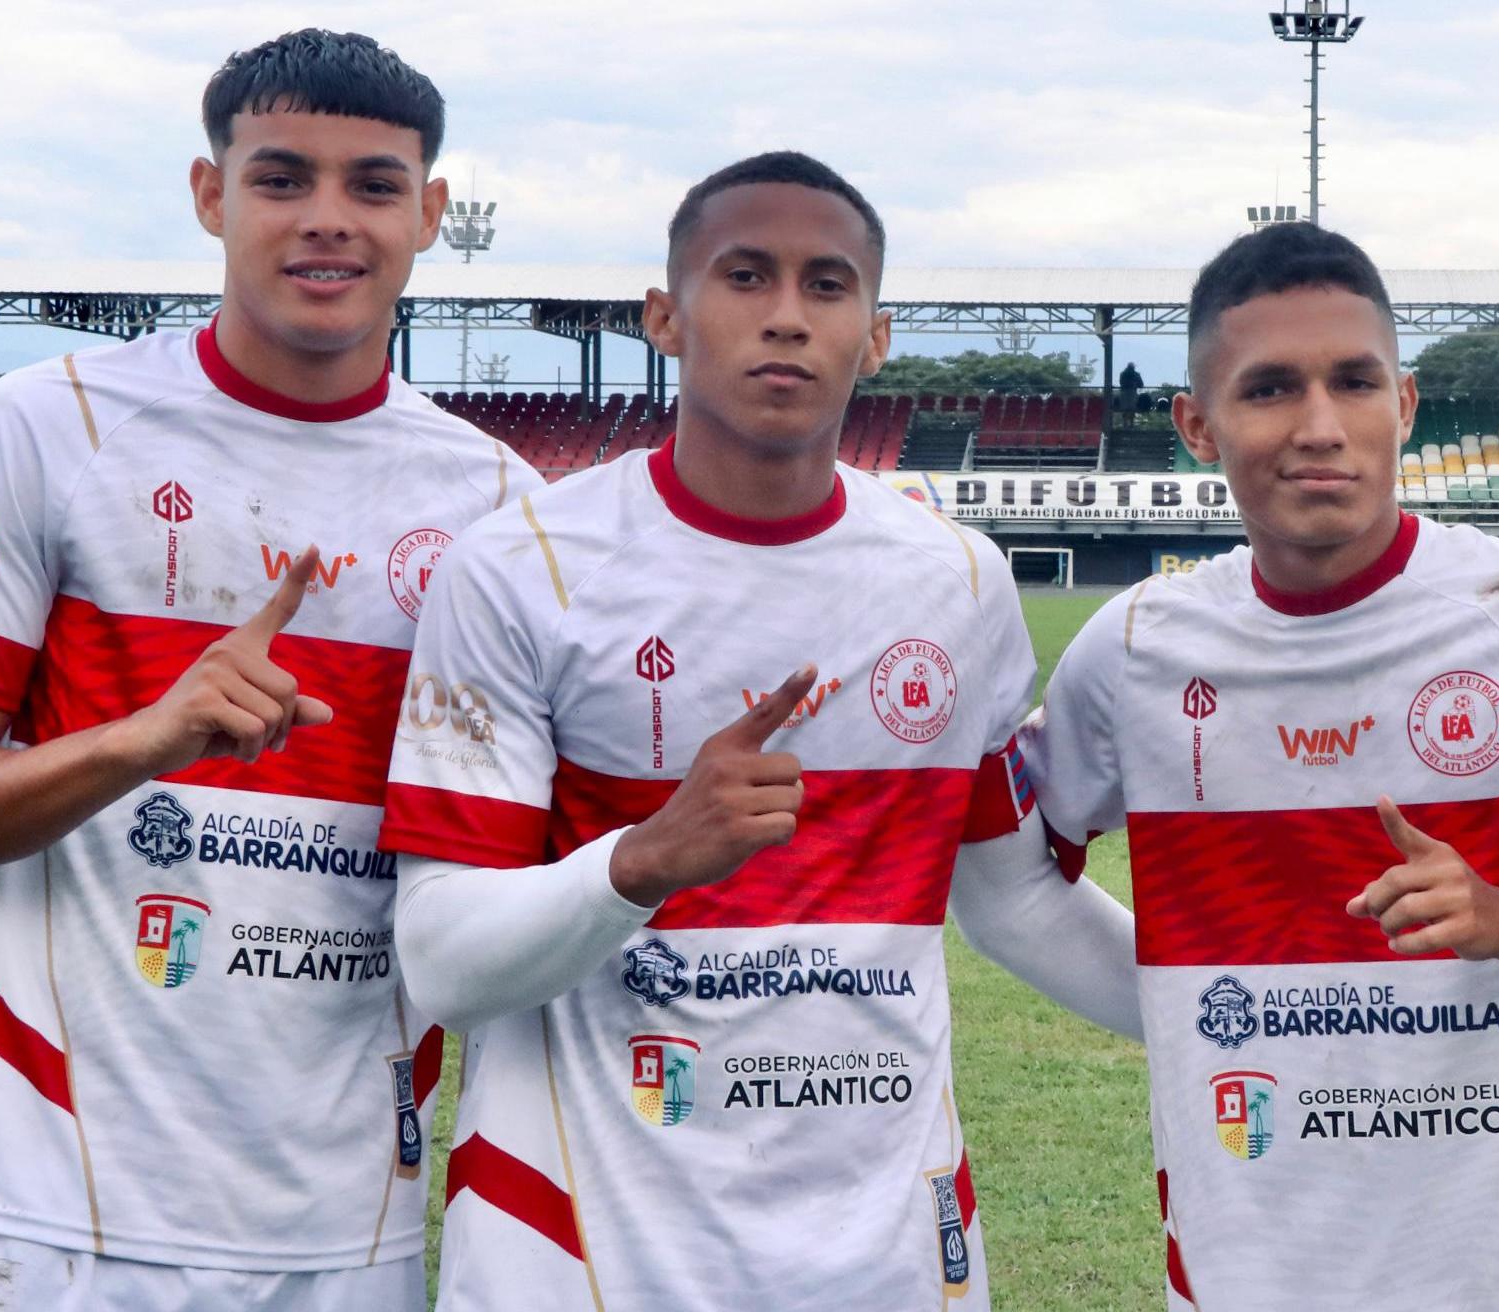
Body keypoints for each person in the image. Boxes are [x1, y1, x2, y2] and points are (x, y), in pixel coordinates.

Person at [378, 151, 1138, 1311]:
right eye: (745, 276)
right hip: (581, 1246)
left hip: (884, 1251)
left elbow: (1013, 899)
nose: (785, 315)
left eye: (826, 286)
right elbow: (439, 959)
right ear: (664, 318)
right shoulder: (522, 566)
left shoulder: (956, 578)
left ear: (874, 336)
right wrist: (641, 861)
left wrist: (1267, 1000)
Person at [0, 29, 537, 1309]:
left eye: (373, 186)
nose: (326, 221)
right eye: (281, 178)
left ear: (431, 214)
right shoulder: (49, 427)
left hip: (352, 1230)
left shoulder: (498, 504)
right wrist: (145, 736)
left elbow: (494, 883)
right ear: (210, 194)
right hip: (60, 1219)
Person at [1023, 222, 1499, 1311]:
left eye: (1354, 381)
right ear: (1196, 424)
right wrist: (1188, 1003)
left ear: (1405, 404)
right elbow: (1000, 876)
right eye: (1269, 388)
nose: (1318, 426)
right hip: (1249, 1274)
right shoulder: (1132, 652)